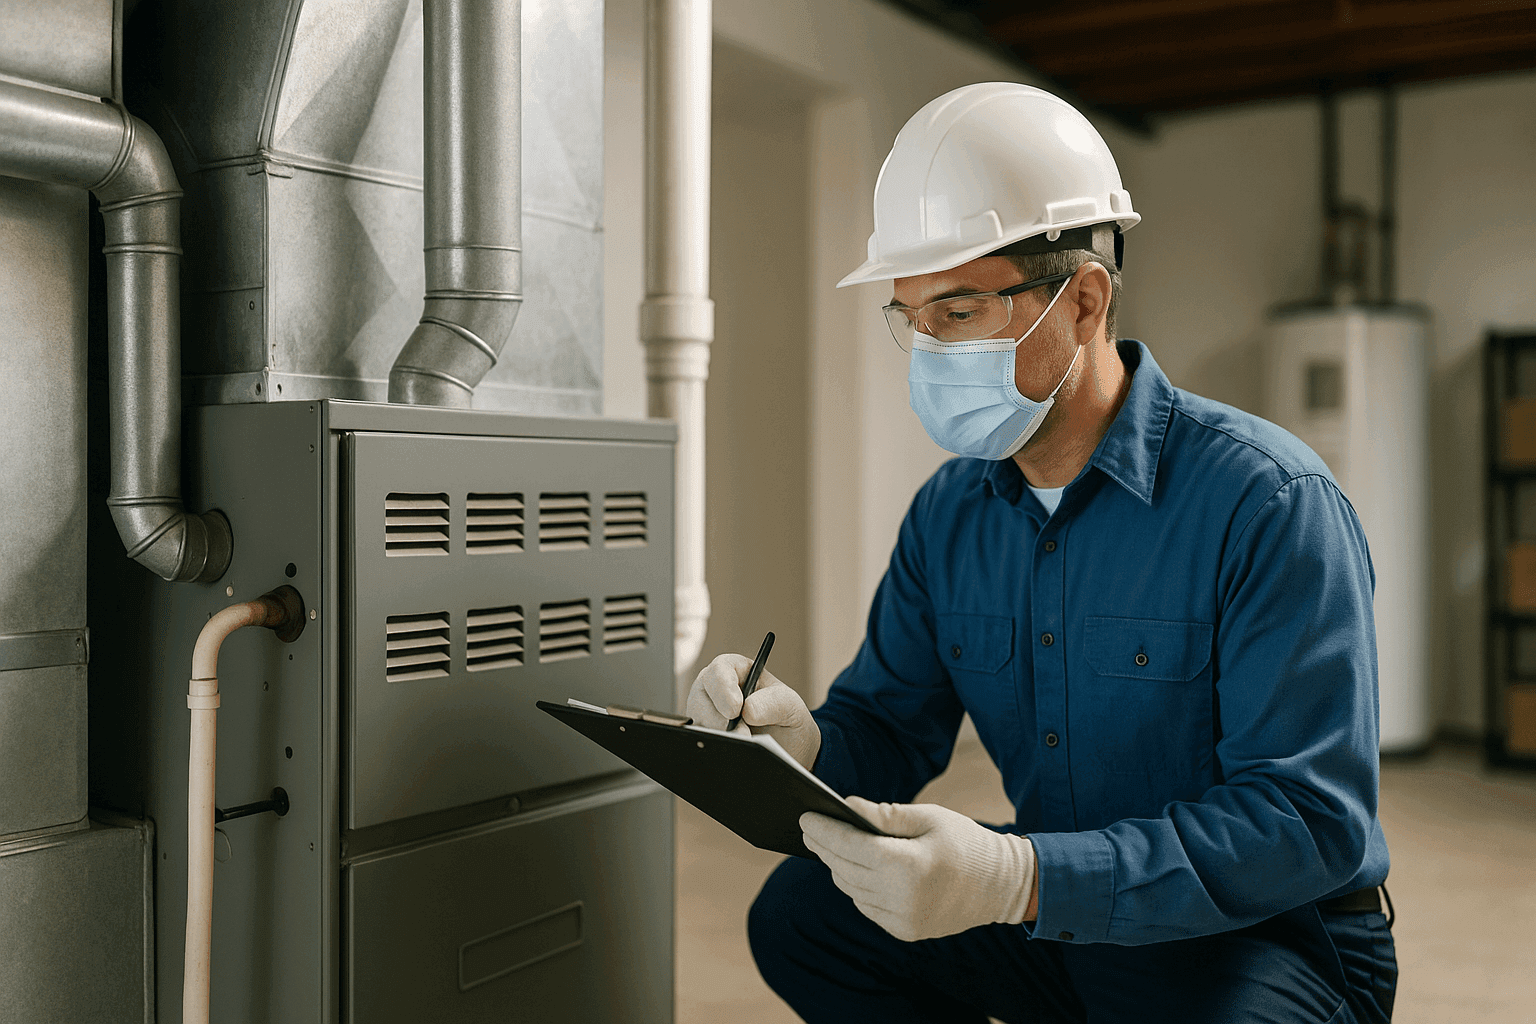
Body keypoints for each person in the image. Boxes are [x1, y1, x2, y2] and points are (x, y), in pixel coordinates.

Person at [686, 82, 1397, 1023]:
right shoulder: (950, 516)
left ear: (1085, 301)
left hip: (1265, 940)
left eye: (958, 313)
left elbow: (1305, 822)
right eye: (910, 318)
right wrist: (802, 745)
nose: (928, 352)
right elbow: (889, 727)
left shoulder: (1268, 502)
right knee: (805, 917)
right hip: (1064, 914)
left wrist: (1020, 879)